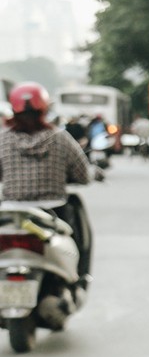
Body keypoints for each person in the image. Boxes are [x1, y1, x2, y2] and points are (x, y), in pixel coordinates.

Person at [0, 83, 95, 285]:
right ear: (44, 108)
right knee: (81, 236)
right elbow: (83, 175)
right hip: (55, 213)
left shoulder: (3, 140)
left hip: (11, 215)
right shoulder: (61, 138)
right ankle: (79, 277)